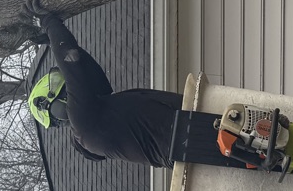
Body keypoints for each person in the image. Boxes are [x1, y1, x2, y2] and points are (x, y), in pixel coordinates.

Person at [27, 10, 183, 166]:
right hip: (187, 137)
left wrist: (51, 41)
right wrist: (48, 22)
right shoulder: (84, 124)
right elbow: (71, 60)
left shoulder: (98, 114)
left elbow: (83, 66)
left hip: (187, 130)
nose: (69, 87)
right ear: (55, 106)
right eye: (63, 88)